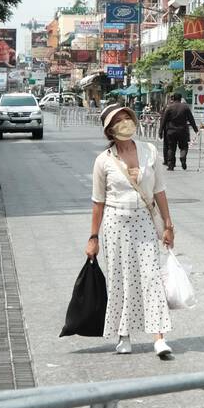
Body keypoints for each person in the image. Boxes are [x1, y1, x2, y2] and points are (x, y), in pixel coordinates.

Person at [86, 104, 177, 359]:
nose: (125, 122)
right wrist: (93, 237)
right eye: (119, 119)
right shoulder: (103, 161)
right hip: (115, 224)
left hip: (145, 222)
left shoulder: (149, 151)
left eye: (128, 117)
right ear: (109, 129)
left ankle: (159, 337)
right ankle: (123, 335)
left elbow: (159, 190)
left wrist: (168, 225)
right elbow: (98, 202)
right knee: (120, 279)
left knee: (151, 277)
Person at [160, 92, 199, 171]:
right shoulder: (185, 107)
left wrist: (160, 131)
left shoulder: (169, 108)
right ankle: (183, 157)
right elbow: (191, 119)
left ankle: (171, 166)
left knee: (171, 148)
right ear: (181, 98)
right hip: (183, 131)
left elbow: (163, 120)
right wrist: (196, 129)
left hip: (171, 131)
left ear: (173, 98)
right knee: (184, 146)